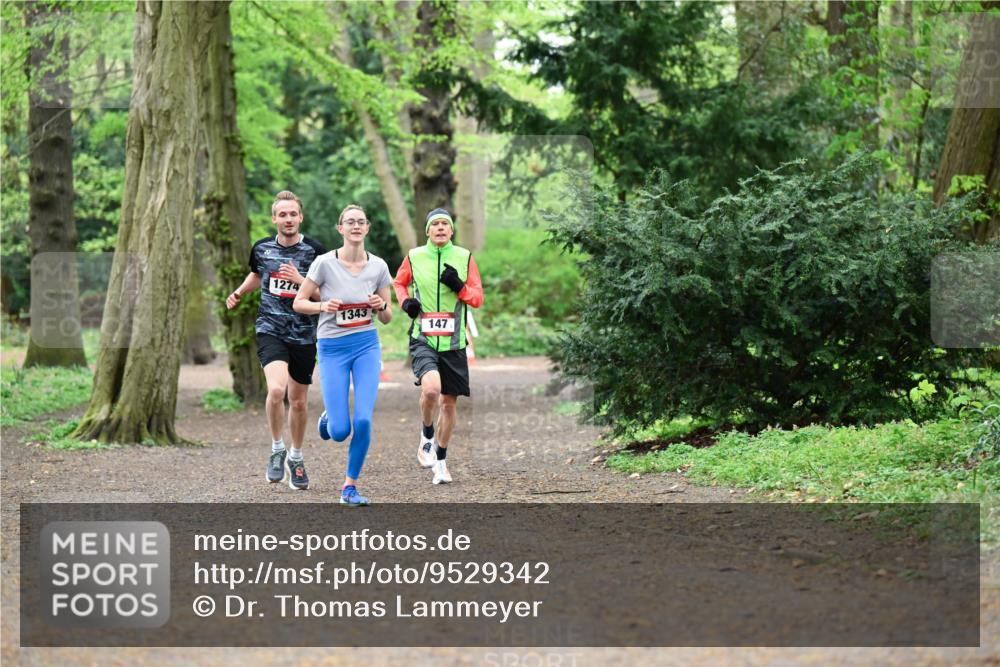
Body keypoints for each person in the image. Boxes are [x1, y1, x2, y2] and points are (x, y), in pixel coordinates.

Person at [226, 190, 326, 491]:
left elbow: (325, 295)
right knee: (277, 390)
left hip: (304, 333)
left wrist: (300, 281)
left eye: (293, 214)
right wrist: (239, 292)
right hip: (271, 328)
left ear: (301, 217)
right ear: (274, 219)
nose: (288, 219)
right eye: (282, 214)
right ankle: (276, 449)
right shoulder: (262, 248)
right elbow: (258, 275)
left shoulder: (316, 252)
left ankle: (296, 456)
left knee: (298, 401)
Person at [293, 204, 393, 506]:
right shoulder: (324, 263)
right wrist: (322, 306)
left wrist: (380, 306)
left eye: (361, 221)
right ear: (341, 229)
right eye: (350, 222)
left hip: (366, 345)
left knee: (363, 420)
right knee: (339, 431)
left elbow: (387, 317)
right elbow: (299, 302)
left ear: (367, 228)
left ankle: (349, 487)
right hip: (332, 348)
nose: (356, 226)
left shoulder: (378, 266)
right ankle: (330, 418)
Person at [393, 208, 483, 485]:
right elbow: (399, 283)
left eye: (445, 224)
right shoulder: (415, 256)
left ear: (452, 230)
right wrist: (406, 303)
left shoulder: (465, 257)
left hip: (454, 341)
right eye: (435, 224)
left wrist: (459, 286)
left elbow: (477, 298)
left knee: (449, 404)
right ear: (428, 231)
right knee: (431, 389)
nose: (441, 228)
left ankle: (441, 462)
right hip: (424, 337)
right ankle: (427, 433)